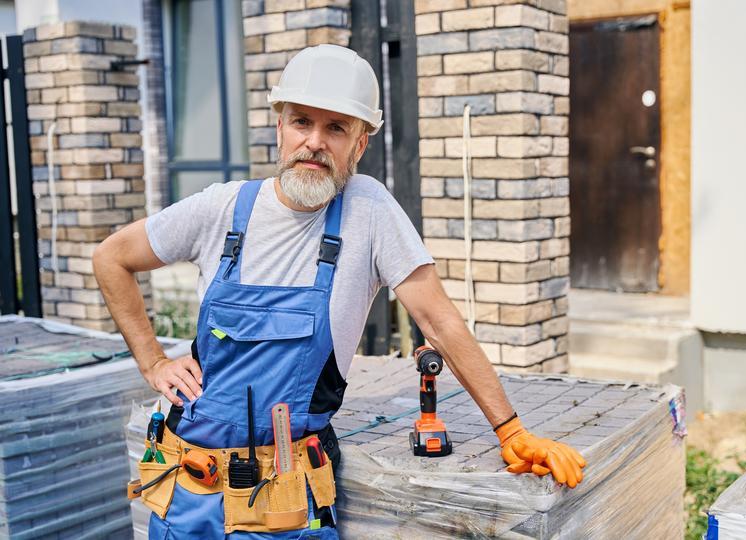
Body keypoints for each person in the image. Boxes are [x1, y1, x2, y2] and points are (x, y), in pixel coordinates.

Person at [94, 44, 586, 539]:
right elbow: (111, 257)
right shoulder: (222, 208)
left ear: (360, 144)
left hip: (289, 499)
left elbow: (439, 320)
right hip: (189, 487)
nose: (315, 142)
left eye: (336, 128)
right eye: (302, 121)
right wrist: (153, 361)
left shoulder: (368, 211)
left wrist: (511, 430)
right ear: (279, 127)